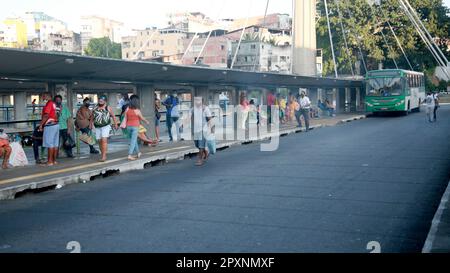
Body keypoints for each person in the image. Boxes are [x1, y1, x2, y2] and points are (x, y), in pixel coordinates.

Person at [122, 95, 150, 161]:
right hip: (135, 127)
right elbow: (142, 118)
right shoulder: (137, 111)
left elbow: (124, 116)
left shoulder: (127, 109)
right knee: (133, 141)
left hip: (128, 127)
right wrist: (147, 121)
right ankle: (130, 155)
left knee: (133, 141)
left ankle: (138, 152)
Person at [93, 95, 118, 162]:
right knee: (99, 141)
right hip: (97, 126)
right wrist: (90, 124)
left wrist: (115, 124)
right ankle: (103, 153)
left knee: (104, 140)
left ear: (105, 101)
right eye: (99, 100)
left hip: (105, 126)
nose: (100, 102)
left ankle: (104, 156)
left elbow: (113, 116)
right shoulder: (95, 108)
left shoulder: (107, 108)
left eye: (102, 101)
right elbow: (92, 117)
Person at [38, 93, 60, 166]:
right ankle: (54, 161)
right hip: (56, 124)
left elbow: (46, 115)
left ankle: (50, 161)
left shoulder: (49, 103)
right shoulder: (55, 104)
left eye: (44, 96)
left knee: (50, 144)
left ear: (48, 96)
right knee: (54, 144)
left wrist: (41, 125)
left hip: (50, 125)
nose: (43, 97)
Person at [192, 97, 212, 166]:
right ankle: (205, 151)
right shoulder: (193, 108)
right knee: (197, 144)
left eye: (198, 101)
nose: (197, 102)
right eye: (196, 101)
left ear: (202, 102)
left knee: (201, 146)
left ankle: (200, 160)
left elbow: (209, 118)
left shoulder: (205, 108)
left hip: (204, 130)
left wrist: (211, 129)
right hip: (196, 130)